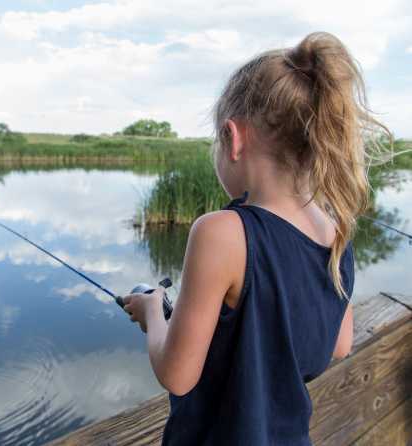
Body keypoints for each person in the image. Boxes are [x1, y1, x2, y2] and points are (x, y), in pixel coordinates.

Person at [121, 31, 396, 445]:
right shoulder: (337, 229)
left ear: (233, 138)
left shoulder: (221, 232)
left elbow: (177, 375)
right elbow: (339, 346)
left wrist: (153, 314)